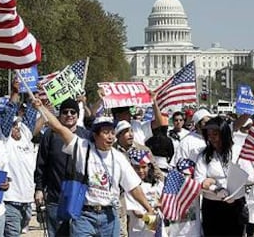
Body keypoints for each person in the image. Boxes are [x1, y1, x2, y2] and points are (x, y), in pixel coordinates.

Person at [35, 97, 156, 236]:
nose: (110, 137)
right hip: (84, 216)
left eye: (112, 132)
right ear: (95, 135)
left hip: (110, 216)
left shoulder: (119, 158)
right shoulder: (82, 147)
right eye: (105, 132)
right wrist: (41, 108)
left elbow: (134, 187)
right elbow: (58, 127)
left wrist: (148, 208)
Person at [34, 98, 91, 237]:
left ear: (78, 115)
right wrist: (39, 189)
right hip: (56, 198)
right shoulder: (49, 135)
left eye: (73, 112)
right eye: (65, 112)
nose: (69, 115)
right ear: (60, 115)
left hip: (80, 200)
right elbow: (41, 164)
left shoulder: (86, 136)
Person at [195, 116, 254, 236]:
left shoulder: (238, 151)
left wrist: (235, 190)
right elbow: (199, 181)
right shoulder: (204, 156)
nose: (212, 138)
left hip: (236, 205)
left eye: (215, 134)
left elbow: (251, 177)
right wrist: (216, 190)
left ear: (224, 133)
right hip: (212, 207)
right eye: (209, 135)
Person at [0, 80, 40, 237]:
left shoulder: (26, 136)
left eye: (18, 124)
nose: (16, 127)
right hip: (10, 200)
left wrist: (34, 93)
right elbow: (8, 115)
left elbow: (30, 113)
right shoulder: (3, 138)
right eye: (14, 125)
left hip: (26, 201)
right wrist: (15, 93)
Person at [114, 120, 164, 236]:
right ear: (118, 136)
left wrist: (158, 189)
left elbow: (156, 171)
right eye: (126, 132)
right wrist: (152, 221)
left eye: (131, 131)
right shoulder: (113, 151)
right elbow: (137, 214)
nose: (131, 134)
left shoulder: (143, 150)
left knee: (149, 231)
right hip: (121, 196)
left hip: (144, 193)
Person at [125, 149, 164, 237]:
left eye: (143, 167)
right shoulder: (129, 187)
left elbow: (163, 203)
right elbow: (136, 212)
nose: (141, 171)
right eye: (137, 168)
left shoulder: (157, 184)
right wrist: (152, 218)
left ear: (149, 166)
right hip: (139, 232)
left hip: (158, 230)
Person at [168, 158, 202, 237]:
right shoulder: (170, 188)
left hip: (193, 231)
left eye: (186, 174)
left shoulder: (196, 188)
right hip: (175, 232)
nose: (182, 177)